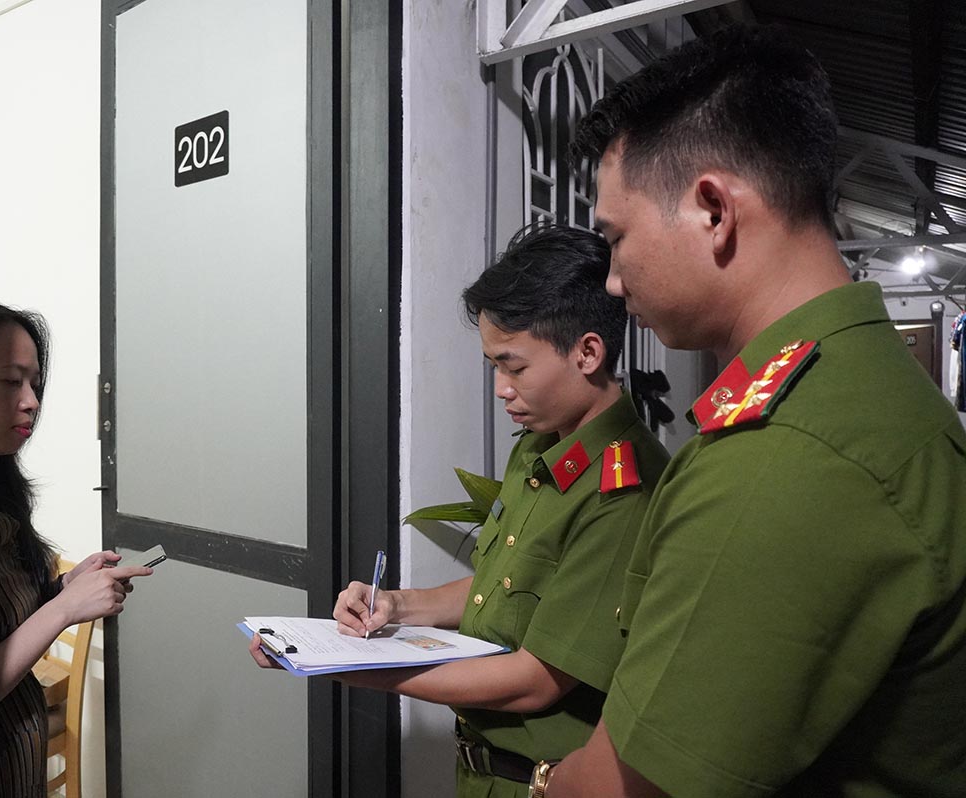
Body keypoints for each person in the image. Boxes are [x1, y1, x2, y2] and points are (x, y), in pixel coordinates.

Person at [533, 24, 966, 798]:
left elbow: (629, 786)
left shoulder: (789, 452)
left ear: (712, 211)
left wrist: (541, 781)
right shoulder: (853, 392)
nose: (613, 284)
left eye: (618, 237)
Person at [250, 224, 671, 797]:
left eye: (514, 367)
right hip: (483, 772)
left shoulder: (623, 490)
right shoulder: (543, 444)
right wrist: (399, 605)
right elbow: (506, 584)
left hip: (545, 783)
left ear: (588, 352)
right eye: (493, 366)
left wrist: (353, 668)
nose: (501, 388)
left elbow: (535, 681)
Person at [0, 296, 153, 797]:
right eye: (11, 381)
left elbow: (3, 625)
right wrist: (64, 609)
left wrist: (62, 590)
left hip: (16, 763)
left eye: (35, 384)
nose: (30, 401)